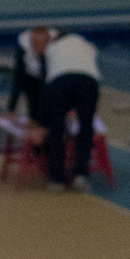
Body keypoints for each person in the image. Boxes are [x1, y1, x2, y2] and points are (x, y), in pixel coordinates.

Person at [39, 28, 101, 191]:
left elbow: (46, 77)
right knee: (86, 128)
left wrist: (43, 120)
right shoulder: (88, 45)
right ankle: (80, 175)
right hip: (88, 82)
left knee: (56, 129)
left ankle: (57, 179)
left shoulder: (52, 47)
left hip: (60, 81)